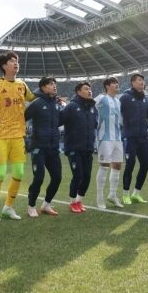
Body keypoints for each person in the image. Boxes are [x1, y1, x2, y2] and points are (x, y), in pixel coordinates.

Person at [0, 51, 36, 221]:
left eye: (17, 61)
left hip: (18, 135)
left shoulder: (22, 85)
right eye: (12, 61)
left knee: (18, 173)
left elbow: (33, 99)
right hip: (1, 135)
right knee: (1, 174)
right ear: (4, 66)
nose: (16, 63)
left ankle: (8, 207)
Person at [25, 76, 63, 218]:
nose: (54, 86)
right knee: (39, 178)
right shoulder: (37, 103)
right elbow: (23, 117)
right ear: (43, 88)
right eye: (50, 84)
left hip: (53, 148)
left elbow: (60, 121)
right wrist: (24, 138)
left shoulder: (57, 104)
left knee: (57, 177)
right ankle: (31, 205)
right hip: (38, 147)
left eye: (55, 84)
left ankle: (46, 205)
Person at [60, 82, 97, 213]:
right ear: (78, 92)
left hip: (88, 148)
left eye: (90, 89)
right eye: (86, 89)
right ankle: (72, 202)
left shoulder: (92, 107)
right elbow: (59, 121)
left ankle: (79, 201)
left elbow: (95, 125)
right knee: (78, 175)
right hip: (74, 148)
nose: (89, 91)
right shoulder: (71, 106)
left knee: (87, 176)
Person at [120, 73, 148, 204]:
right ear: (132, 83)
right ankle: (125, 194)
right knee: (130, 165)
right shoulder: (125, 97)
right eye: (139, 80)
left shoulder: (144, 98)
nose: (142, 82)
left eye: (143, 80)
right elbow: (117, 112)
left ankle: (136, 193)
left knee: (145, 165)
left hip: (143, 137)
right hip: (130, 136)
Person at [94, 77, 124, 209]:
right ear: (107, 86)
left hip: (117, 137)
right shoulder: (100, 98)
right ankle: (99, 197)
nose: (117, 85)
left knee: (117, 165)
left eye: (117, 83)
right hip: (104, 137)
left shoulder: (118, 101)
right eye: (114, 83)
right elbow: (89, 107)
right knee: (105, 166)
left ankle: (112, 195)